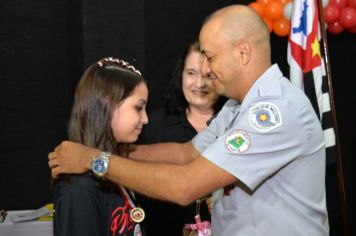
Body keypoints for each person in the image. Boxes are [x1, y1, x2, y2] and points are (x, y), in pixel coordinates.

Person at [49, 5, 329, 235]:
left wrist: (95, 159)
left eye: (210, 57)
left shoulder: (274, 112)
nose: (205, 70)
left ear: (243, 52)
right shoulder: (236, 108)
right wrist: (113, 151)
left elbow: (185, 186)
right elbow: (185, 153)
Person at [136, 41, 226, 236]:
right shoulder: (152, 125)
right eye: (191, 73)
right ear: (180, 76)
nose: (199, 83)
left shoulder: (236, 122)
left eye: (208, 75)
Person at [52, 57, 148, 236]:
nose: (145, 119)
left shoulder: (112, 168)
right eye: (138, 108)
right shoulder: (78, 188)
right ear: (107, 103)